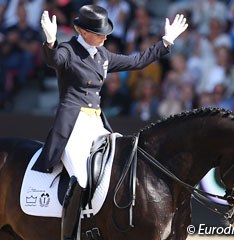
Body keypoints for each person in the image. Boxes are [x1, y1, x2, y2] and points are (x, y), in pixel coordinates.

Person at [31, 4, 188, 240]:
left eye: (105, 33)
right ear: (82, 32)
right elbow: (54, 60)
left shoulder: (103, 55)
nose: (105, 37)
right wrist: (51, 42)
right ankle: (69, 235)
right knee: (81, 178)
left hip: (96, 124)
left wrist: (165, 42)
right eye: (99, 33)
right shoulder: (68, 50)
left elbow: (137, 62)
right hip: (72, 124)